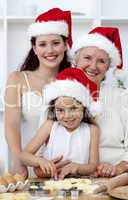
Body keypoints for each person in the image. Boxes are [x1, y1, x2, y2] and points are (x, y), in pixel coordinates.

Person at [4, 8, 72, 178]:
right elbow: (11, 124)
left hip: (65, 165)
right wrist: (18, 158)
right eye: (42, 44)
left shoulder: (73, 82)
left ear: (65, 45)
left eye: (56, 43)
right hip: (29, 164)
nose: (50, 50)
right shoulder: (17, 79)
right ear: (34, 48)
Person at [71, 27, 128, 177]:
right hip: (69, 178)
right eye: (87, 58)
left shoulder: (123, 97)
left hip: (114, 178)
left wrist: (119, 168)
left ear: (108, 66)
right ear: (75, 60)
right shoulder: (58, 94)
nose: (93, 66)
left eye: (101, 61)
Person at [20, 68, 100, 179]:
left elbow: (93, 166)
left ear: (84, 107)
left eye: (73, 108)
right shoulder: (50, 125)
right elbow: (23, 155)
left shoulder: (92, 129)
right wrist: (40, 161)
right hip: (50, 182)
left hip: (80, 184)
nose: (67, 116)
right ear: (54, 109)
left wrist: (77, 168)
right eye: (60, 110)